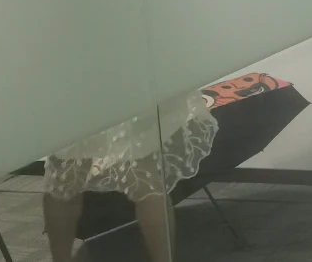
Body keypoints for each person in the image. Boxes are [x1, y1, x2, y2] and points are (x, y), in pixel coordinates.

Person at [42, 92, 217, 262]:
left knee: (64, 176)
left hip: (78, 90)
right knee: (146, 178)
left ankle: (60, 259)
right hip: (132, 88)